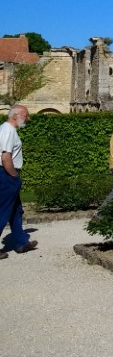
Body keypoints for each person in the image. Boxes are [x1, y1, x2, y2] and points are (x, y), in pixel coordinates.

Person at [0, 104, 37, 256]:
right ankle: (20, 242)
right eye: (25, 116)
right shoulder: (8, 130)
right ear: (16, 115)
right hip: (6, 175)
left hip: (5, 174)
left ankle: (21, 243)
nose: (27, 119)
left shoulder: (6, 129)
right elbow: (5, 157)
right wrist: (14, 176)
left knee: (16, 210)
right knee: (3, 211)